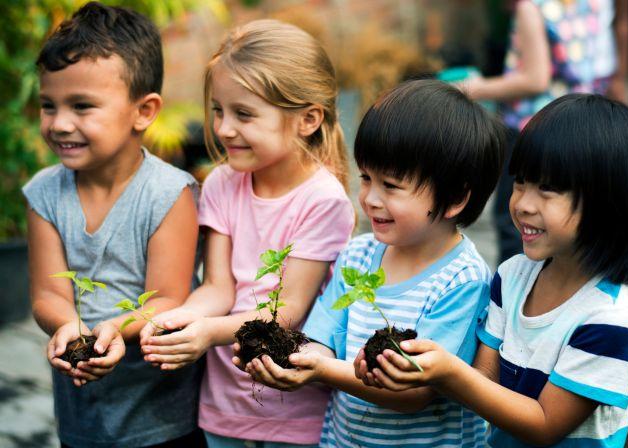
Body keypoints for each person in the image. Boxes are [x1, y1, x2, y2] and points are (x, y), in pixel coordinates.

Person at [366, 94, 628, 448]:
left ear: (609, 202)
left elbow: (544, 424)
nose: (522, 203)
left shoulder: (612, 319)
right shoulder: (513, 276)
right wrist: (422, 371)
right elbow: (485, 381)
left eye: (547, 189)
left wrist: (448, 372)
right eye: (520, 181)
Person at [236, 79, 506, 448]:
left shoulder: (462, 279)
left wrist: (322, 371)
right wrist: (289, 361)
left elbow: (414, 391)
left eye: (391, 186)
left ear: (456, 198)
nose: (370, 199)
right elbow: (323, 340)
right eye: (365, 178)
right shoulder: (359, 256)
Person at [138, 20, 355, 447]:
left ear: (308, 119)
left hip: (290, 397)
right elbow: (220, 287)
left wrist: (206, 334)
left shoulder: (323, 201)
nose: (222, 129)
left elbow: (288, 312)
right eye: (219, 110)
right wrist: (181, 319)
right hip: (224, 399)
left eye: (244, 114)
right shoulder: (221, 184)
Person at [24, 2, 203, 447]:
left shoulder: (169, 193)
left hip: (162, 417)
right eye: (49, 105)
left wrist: (112, 331)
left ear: (143, 111)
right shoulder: (45, 194)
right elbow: (48, 293)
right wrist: (70, 328)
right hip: (82, 414)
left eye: (82, 106)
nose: (60, 124)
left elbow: (168, 299)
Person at [462, 0, 625, 264]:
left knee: (513, 219)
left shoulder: (532, 8)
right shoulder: (593, 4)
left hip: (532, 128)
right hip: (578, 128)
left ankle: (514, 294)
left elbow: (535, 79)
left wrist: (470, 89)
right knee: (564, 215)